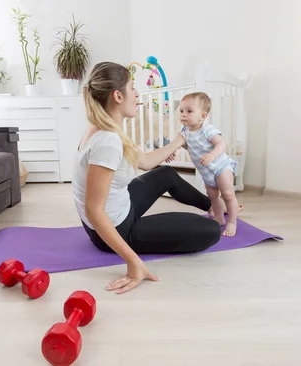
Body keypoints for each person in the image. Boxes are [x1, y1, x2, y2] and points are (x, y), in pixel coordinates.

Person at [72, 61, 222, 295]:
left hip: (120, 207)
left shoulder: (101, 126)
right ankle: (212, 215)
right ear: (118, 96)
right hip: (118, 228)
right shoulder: (108, 141)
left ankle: (212, 205)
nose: (137, 94)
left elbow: (146, 162)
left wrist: (178, 141)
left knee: (165, 174)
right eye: (132, 88)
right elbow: (94, 209)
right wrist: (132, 263)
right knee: (211, 231)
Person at [174, 92, 242, 237]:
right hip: (206, 171)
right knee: (213, 196)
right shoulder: (184, 132)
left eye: (189, 111)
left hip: (221, 167)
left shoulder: (207, 130)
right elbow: (187, 146)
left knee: (228, 194)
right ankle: (218, 218)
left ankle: (232, 222)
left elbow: (221, 144)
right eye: (181, 111)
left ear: (203, 116)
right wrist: (171, 152)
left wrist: (212, 155)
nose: (184, 115)